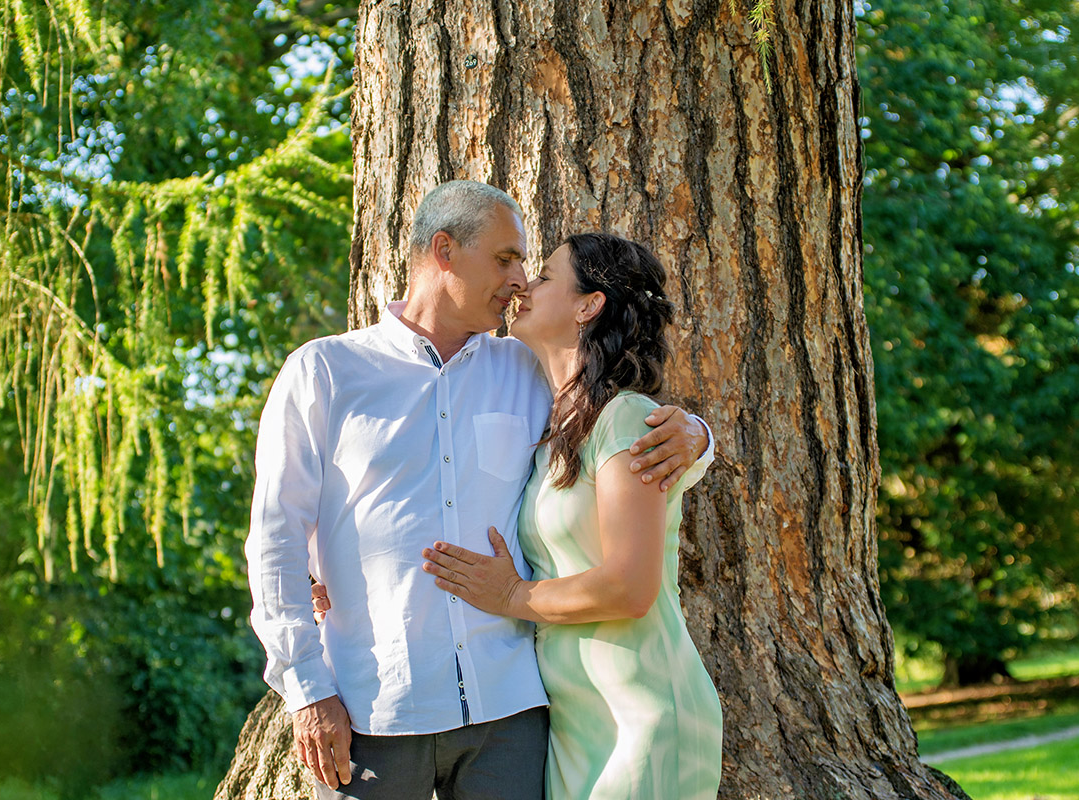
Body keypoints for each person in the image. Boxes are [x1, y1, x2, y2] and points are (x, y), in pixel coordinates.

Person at [244, 181, 713, 800]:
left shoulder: (529, 370)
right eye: (505, 259)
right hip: (378, 708)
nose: (520, 279)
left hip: (512, 712)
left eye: (527, 265)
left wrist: (696, 438)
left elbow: (614, 428)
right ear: (443, 250)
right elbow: (276, 538)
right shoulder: (325, 372)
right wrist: (307, 689)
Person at [421, 233, 724, 799]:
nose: (523, 288)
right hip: (575, 724)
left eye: (543, 277)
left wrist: (514, 596)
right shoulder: (553, 427)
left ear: (588, 305)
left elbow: (631, 587)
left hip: (643, 716)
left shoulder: (626, 418)